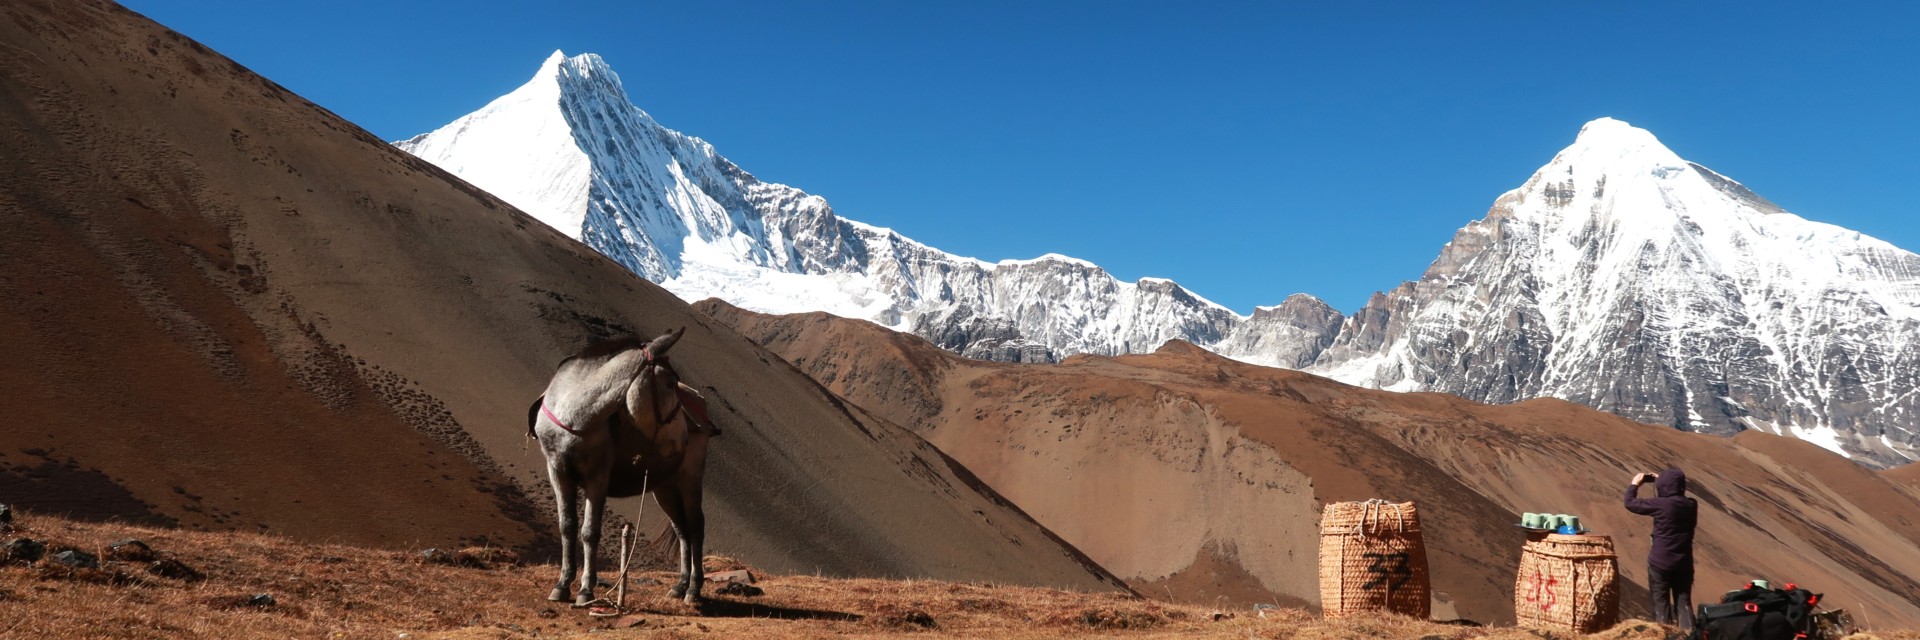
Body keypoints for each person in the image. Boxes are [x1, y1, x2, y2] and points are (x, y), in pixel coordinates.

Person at [1625, 468, 1699, 628]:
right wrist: (1665, 480)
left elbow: (1630, 503)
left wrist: (1634, 484)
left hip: (1660, 564)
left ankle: (1665, 635)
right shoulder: (1691, 505)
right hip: (1684, 564)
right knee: (1684, 604)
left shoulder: (1660, 505)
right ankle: (1689, 635)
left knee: (1661, 605)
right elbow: (1674, 490)